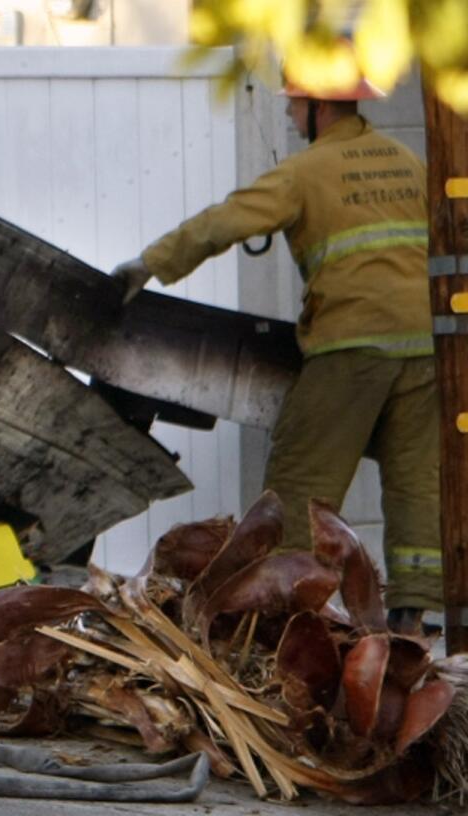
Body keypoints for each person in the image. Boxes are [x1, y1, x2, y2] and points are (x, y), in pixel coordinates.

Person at [111, 72, 439, 633]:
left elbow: (225, 222)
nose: (289, 117)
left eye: (294, 107)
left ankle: (283, 622)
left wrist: (148, 265)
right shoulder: (407, 162)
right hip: (425, 347)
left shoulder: (306, 171)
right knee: (419, 484)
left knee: (298, 486)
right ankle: (411, 626)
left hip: (351, 347)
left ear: (317, 107)